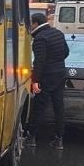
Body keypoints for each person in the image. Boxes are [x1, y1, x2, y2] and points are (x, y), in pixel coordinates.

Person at [25, 12, 70, 150]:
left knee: (39, 107)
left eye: (31, 23)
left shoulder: (40, 38)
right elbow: (66, 52)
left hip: (46, 76)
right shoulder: (58, 33)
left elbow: (39, 62)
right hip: (60, 73)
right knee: (59, 106)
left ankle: (31, 137)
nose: (30, 26)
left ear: (36, 23)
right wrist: (56, 62)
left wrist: (35, 81)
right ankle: (59, 139)